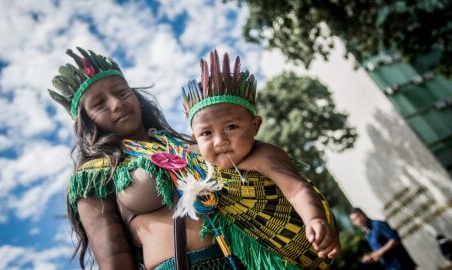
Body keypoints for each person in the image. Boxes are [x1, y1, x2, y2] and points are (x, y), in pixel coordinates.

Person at [48, 47, 336, 270]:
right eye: (99, 104)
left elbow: (270, 166)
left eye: (122, 92)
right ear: (86, 121)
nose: (116, 103)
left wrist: (313, 216)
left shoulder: (195, 142)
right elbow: (115, 256)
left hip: (244, 259)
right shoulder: (94, 175)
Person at [180, 50, 340, 261]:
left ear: (255, 125)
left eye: (231, 127)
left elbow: (296, 189)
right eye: (206, 133)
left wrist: (315, 219)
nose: (220, 141)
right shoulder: (198, 160)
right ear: (196, 138)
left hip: (305, 253)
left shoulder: (264, 155)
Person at [349, 207, 417, 269]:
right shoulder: (367, 234)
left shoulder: (378, 224)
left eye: (358, 216)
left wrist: (378, 253)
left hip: (401, 264)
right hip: (390, 266)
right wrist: (371, 257)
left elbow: (395, 239)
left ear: (364, 214)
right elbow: (379, 250)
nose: (358, 220)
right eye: (354, 220)